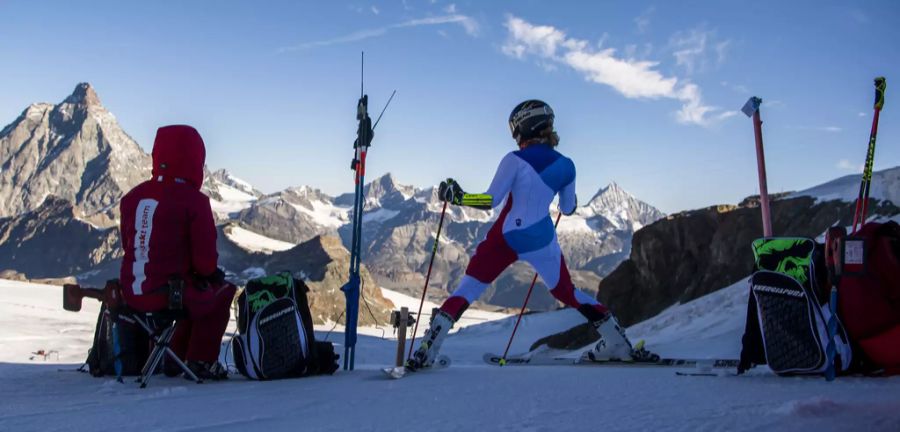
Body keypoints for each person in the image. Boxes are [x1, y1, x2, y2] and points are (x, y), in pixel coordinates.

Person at [409, 100, 651, 369]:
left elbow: (490, 200)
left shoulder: (513, 160)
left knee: (469, 288)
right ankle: (616, 341)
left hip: (507, 236)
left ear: (524, 126)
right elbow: (568, 208)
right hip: (542, 239)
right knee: (566, 291)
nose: (514, 136)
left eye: (515, 129)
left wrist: (460, 196)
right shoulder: (567, 165)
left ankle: (427, 349)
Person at [118, 125, 236, 380]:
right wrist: (209, 274)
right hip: (167, 296)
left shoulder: (132, 197)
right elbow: (205, 264)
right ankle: (199, 360)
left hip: (131, 293)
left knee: (186, 292)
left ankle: (173, 359)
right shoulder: (194, 201)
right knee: (217, 291)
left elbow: (129, 245)